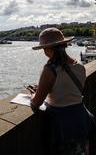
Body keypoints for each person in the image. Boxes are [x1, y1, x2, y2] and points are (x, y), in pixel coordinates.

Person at [30, 27, 94, 155]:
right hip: (82, 118)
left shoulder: (50, 70)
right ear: (64, 45)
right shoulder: (80, 66)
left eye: (44, 48)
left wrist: (33, 94)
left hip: (62, 123)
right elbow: (67, 90)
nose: (44, 52)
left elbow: (36, 103)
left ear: (49, 48)